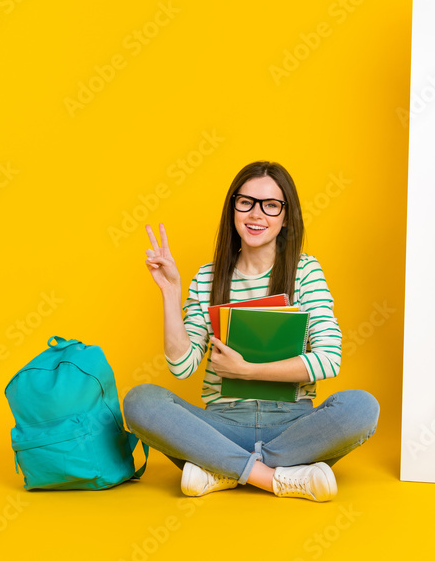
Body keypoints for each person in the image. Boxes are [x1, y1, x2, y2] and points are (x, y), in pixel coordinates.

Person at [123, 161, 379, 502]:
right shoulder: (208, 277)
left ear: (285, 216)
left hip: (292, 427)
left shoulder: (305, 271)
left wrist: (248, 370)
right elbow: (182, 366)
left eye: (270, 205)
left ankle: (223, 470)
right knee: (141, 401)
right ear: (233, 208)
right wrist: (171, 292)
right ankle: (275, 478)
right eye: (246, 202)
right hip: (222, 426)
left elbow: (329, 360)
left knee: (361, 407)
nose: (256, 214)